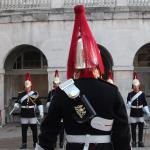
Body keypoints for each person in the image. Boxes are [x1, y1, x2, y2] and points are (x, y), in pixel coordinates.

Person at [36, 5, 131, 150]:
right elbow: (122, 133)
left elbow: (49, 130)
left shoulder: (63, 91)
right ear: (96, 63)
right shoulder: (111, 91)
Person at [12, 73, 44, 149]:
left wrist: (41, 111)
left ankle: (35, 143)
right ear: (25, 87)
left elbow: (39, 103)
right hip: (24, 114)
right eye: (26, 87)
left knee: (34, 130)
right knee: (24, 130)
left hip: (32, 114)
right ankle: (24, 144)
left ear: (31, 86)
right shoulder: (21, 94)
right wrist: (16, 105)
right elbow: (17, 102)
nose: (27, 89)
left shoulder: (35, 93)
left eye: (28, 87)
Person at [127, 72, 150, 147]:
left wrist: (148, 112)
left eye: (137, 86)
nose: (136, 87)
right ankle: (133, 141)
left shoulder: (142, 94)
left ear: (139, 86)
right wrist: (129, 104)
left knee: (141, 129)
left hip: (140, 113)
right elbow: (127, 103)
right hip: (133, 113)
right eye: (134, 86)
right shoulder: (130, 94)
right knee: (133, 129)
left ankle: (140, 141)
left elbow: (145, 104)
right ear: (132, 86)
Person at [46, 70, 64, 148]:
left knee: (61, 131)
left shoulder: (63, 92)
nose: (56, 85)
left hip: (61, 113)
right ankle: (54, 143)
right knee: (53, 130)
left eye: (57, 84)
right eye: (55, 84)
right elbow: (48, 101)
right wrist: (48, 104)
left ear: (60, 84)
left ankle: (61, 142)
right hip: (53, 114)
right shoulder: (51, 93)